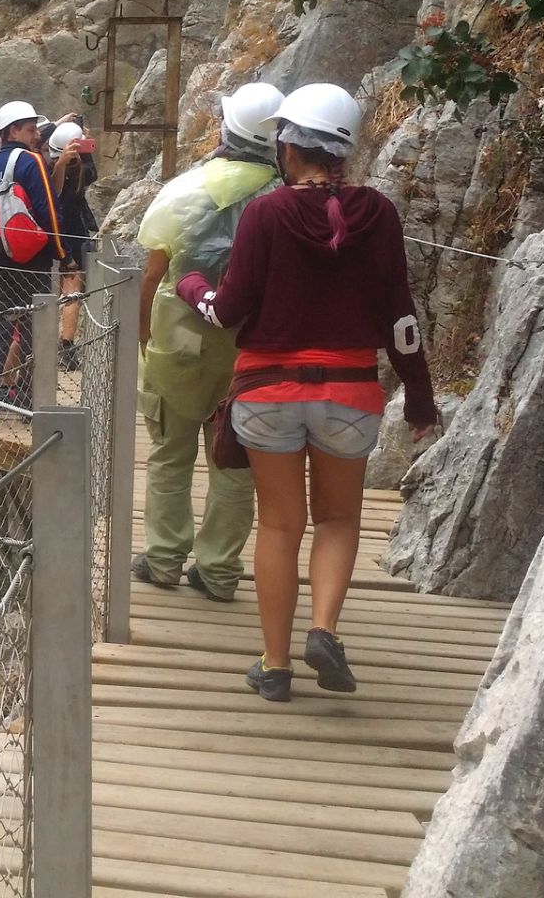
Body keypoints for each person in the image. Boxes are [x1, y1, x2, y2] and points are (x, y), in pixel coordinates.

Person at [175, 82, 440, 703]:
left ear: (288, 147)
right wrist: (420, 397)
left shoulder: (266, 214)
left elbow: (230, 310)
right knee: (338, 520)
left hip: (268, 392)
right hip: (349, 395)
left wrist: (192, 288)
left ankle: (274, 666)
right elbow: (400, 318)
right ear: (345, 151)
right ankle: (323, 630)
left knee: (279, 526)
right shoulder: (379, 214)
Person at [128, 83, 284, 604]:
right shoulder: (283, 201)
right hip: (249, 352)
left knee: (170, 455)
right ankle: (218, 570)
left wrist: (145, 335)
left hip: (180, 343)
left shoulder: (187, 189)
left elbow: (154, 273)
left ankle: (163, 558)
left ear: (227, 129)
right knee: (233, 462)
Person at [0, 100, 64, 418]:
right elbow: (49, 210)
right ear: (13, 131)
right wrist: (62, 254)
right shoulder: (31, 161)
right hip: (32, 262)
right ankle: (28, 400)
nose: (36, 135)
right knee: (33, 327)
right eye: (29, 130)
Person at [47, 121, 101, 370]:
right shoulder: (82, 173)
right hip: (74, 236)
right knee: (72, 293)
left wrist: (58, 126)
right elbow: (92, 171)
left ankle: (44, 342)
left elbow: (53, 193)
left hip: (51, 235)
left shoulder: (46, 170)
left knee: (52, 292)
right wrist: (84, 147)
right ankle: (66, 346)